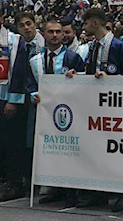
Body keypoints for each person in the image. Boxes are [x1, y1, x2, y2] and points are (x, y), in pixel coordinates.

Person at [70, 7, 123, 208]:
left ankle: (122, 195)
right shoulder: (93, 47)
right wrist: (78, 75)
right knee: (97, 151)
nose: (83, 28)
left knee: (118, 152)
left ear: (95, 23)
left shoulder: (119, 46)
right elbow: (92, 73)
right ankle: (97, 194)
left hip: (117, 108)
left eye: (85, 23)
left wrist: (112, 80)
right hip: (96, 109)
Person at [28, 19, 85, 205]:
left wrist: (77, 77)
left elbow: (86, 78)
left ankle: (71, 191)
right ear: (43, 34)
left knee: (68, 150)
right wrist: (34, 95)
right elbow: (29, 85)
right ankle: (54, 189)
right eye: (50, 32)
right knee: (50, 150)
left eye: (58, 32)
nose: (54, 35)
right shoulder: (35, 60)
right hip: (45, 112)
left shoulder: (72, 57)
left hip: (69, 112)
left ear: (63, 35)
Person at [0, 5, 29, 202]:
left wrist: (13, 100)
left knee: (12, 143)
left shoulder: (14, 40)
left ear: (1, 18)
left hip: (6, 100)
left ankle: (15, 184)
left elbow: (19, 72)